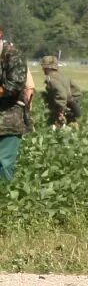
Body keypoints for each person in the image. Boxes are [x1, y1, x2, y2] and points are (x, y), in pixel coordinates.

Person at [0, 30, 28, 182]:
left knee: (4, 163)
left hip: (8, 119)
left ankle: (5, 199)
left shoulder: (12, 55)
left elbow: (14, 86)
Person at [40, 56, 82, 128]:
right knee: (72, 129)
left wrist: (61, 110)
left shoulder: (51, 78)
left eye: (44, 67)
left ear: (48, 67)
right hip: (70, 108)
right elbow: (77, 91)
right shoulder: (63, 76)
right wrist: (72, 103)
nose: (43, 69)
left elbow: (60, 93)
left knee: (57, 129)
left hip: (62, 110)